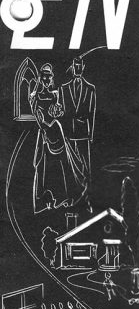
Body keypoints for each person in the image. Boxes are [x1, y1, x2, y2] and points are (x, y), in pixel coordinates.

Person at [29, 64, 88, 214]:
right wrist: (46, 126)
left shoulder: (56, 93)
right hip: (45, 133)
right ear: (40, 77)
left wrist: (57, 115)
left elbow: (58, 110)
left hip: (57, 131)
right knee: (45, 166)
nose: (47, 79)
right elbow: (38, 117)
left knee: (62, 164)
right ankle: (47, 200)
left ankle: (62, 198)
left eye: (49, 76)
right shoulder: (34, 95)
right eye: (44, 76)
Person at [59, 56, 97, 180]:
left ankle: (88, 193)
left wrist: (91, 133)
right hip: (68, 133)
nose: (78, 68)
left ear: (83, 67)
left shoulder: (90, 88)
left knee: (85, 164)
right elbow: (61, 113)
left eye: (80, 65)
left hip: (83, 133)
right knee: (70, 165)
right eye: (76, 66)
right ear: (72, 67)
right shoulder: (64, 88)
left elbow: (92, 113)